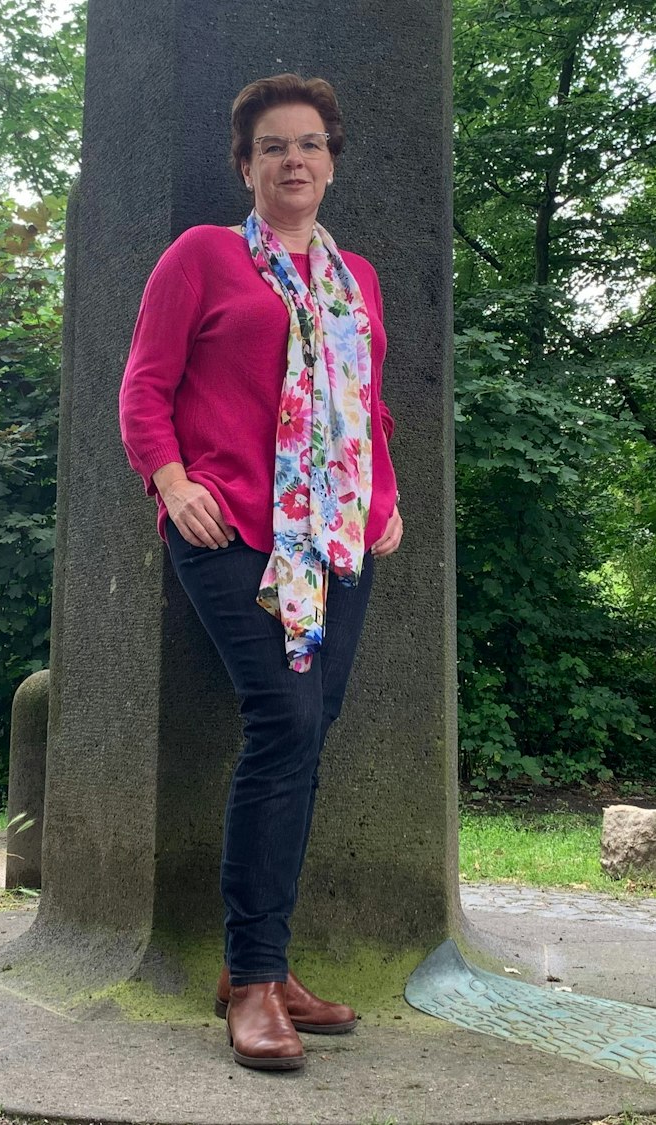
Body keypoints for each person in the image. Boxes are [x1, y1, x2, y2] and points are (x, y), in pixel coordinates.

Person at [117, 73, 403, 1072]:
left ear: (330, 160)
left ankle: (267, 970)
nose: (294, 160)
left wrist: (387, 499)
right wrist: (168, 481)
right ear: (244, 165)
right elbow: (144, 385)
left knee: (302, 740)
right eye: (273, 145)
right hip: (235, 530)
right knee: (281, 725)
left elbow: (365, 407)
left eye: (311, 144)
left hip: (336, 541)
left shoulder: (353, 276)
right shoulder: (201, 256)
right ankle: (249, 978)